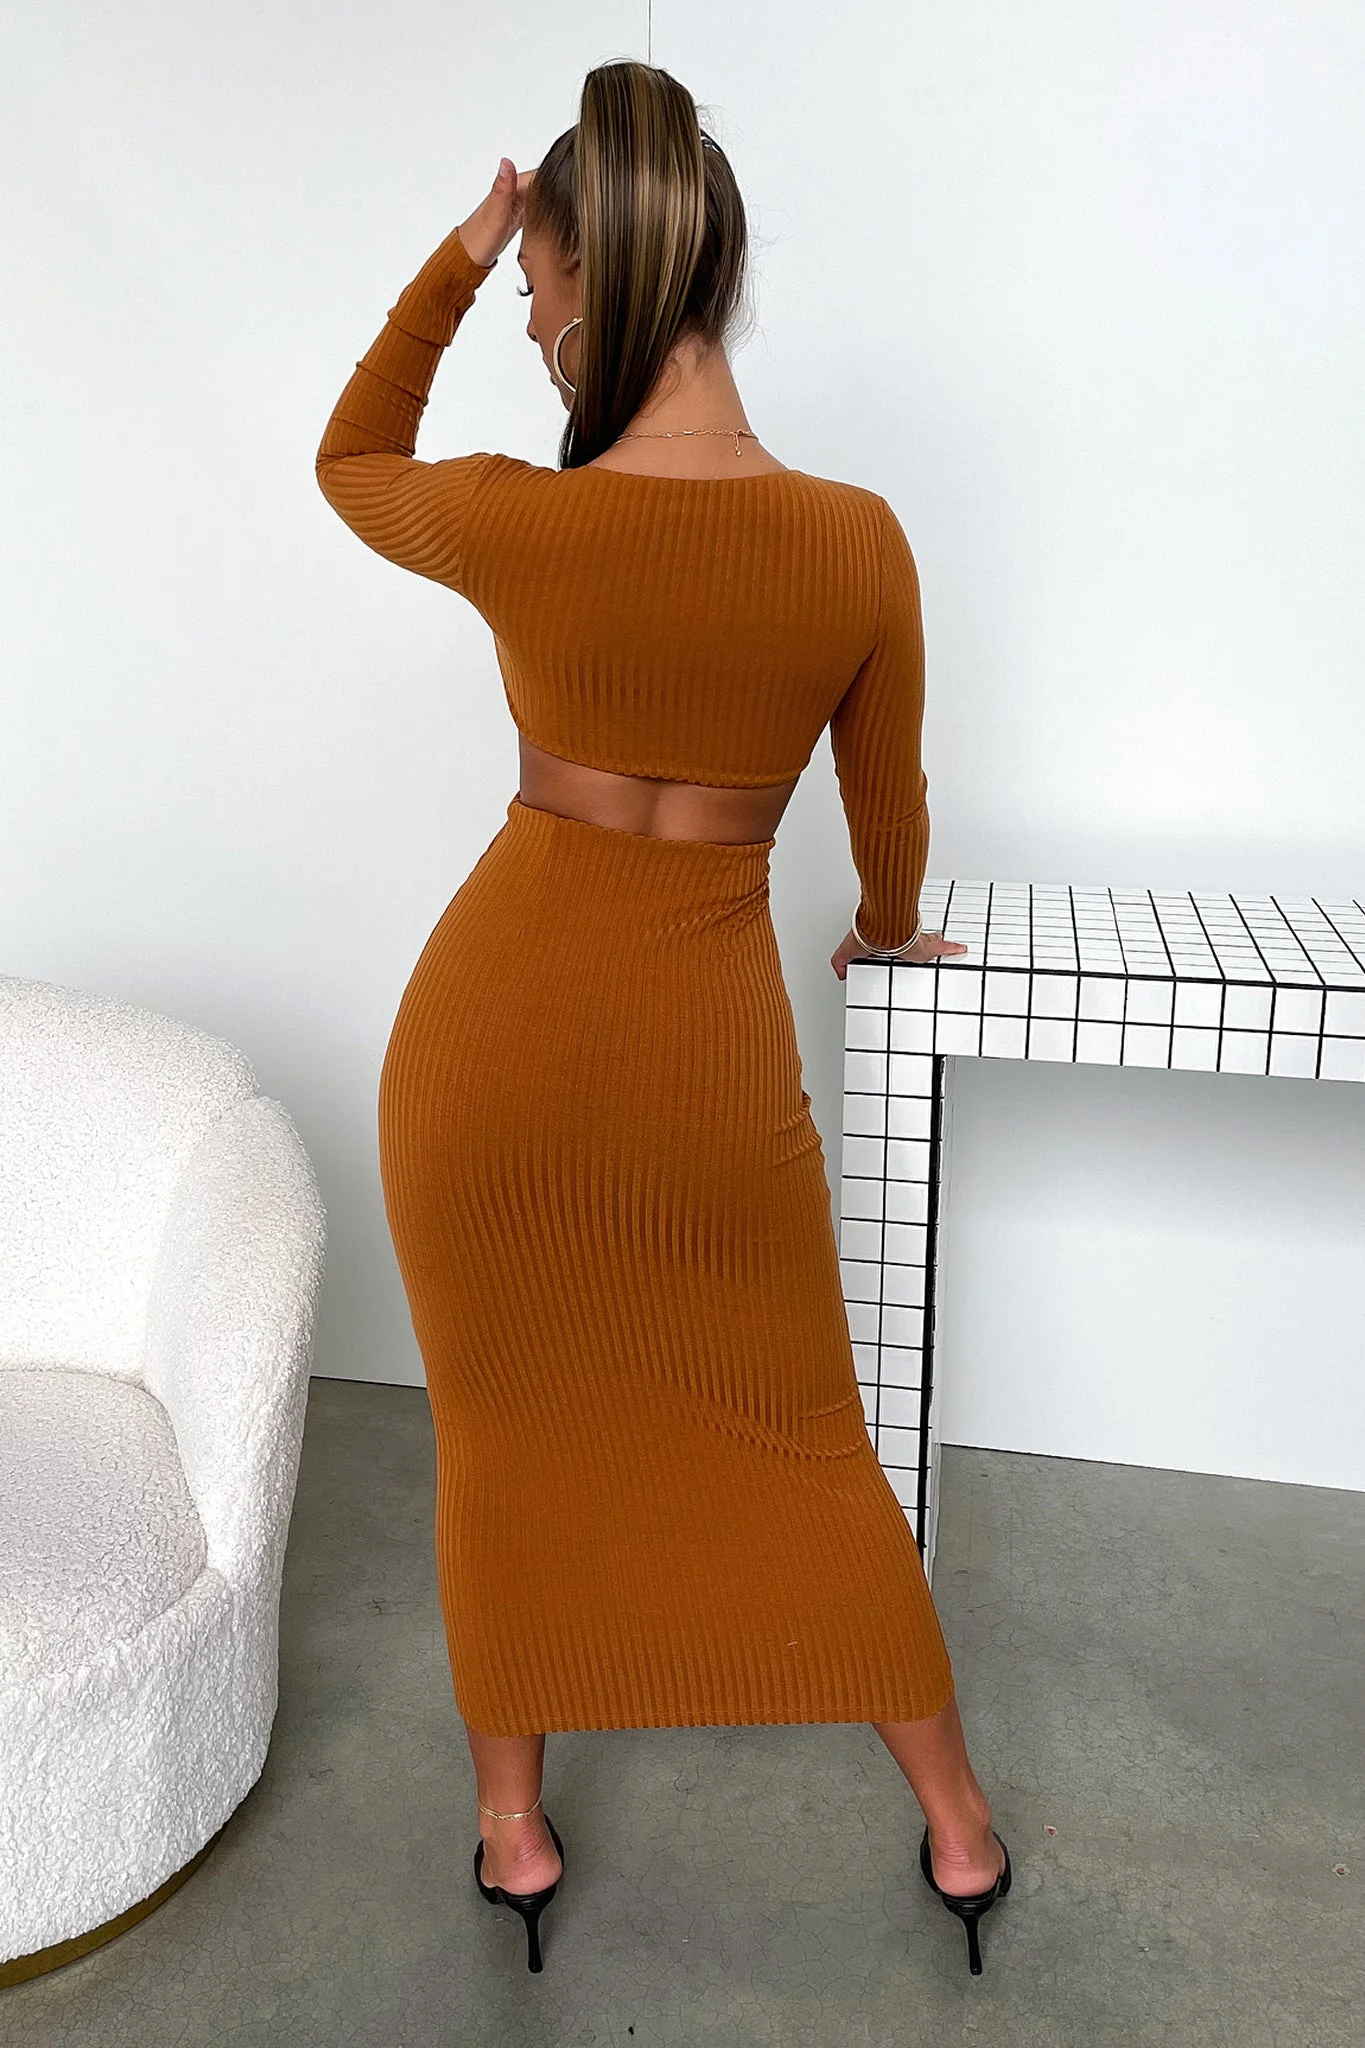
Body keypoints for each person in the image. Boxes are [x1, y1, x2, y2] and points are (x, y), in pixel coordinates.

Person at [315, 57, 1010, 1978]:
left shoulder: (519, 522)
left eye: (539, 282)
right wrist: (887, 931)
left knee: (502, 1434)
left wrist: (457, 252)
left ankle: (512, 1829)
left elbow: (350, 461)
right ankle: (960, 1830)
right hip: (703, 1063)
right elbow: (890, 811)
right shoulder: (854, 539)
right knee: (803, 1431)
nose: (527, 317)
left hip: (486, 1051)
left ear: (595, 280)